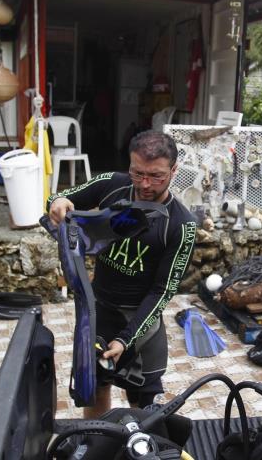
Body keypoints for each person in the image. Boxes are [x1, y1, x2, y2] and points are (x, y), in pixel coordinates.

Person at [48, 130, 197, 418]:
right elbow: (62, 198)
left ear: (174, 170)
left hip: (140, 322)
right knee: (94, 388)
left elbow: (162, 292)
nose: (144, 184)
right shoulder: (112, 184)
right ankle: (97, 443)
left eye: (156, 176)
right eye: (137, 172)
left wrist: (126, 339)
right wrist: (56, 203)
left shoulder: (182, 226)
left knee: (143, 408)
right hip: (99, 312)